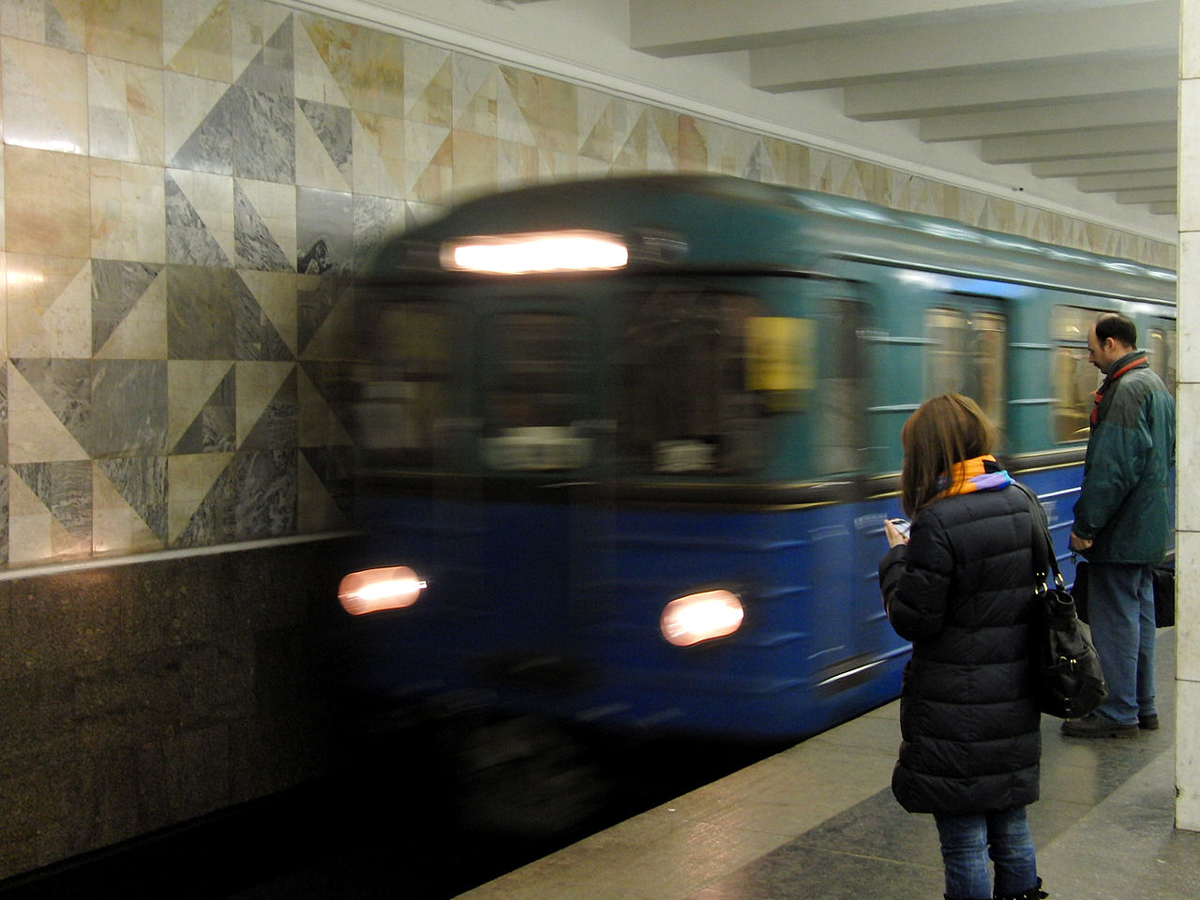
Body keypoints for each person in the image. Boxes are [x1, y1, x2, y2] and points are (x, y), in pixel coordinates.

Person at [879, 394, 1046, 900]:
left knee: (965, 844)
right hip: (1014, 695)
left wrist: (896, 561)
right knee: (1011, 828)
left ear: (929, 453)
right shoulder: (1021, 498)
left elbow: (915, 619)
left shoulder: (939, 520)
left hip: (955, 706)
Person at [1064, 312, 1175, 738]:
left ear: (1112, 344)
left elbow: (1113, 468)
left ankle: (1118, 711)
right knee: (1140, 615)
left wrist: (1087, 526)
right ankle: (1142, 704)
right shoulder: (1154, 384)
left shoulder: (1126, 392)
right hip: (1146, 527)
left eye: (1092, 349)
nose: (1089, 358)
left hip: (1120, 532)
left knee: (1115, 622)